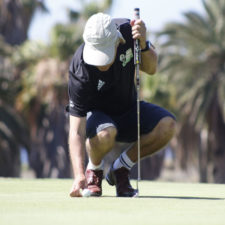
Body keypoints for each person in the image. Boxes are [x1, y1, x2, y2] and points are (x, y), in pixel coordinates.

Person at [68, 12, 176, 197]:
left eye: (105, 54)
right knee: (106, 132)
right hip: (100, 118)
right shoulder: (80, 68)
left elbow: (151, 69)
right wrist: (78, 175)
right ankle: (94, 170)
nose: (101, 64)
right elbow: (76, 131)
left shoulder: (129, 33)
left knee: (168, 126)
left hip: (129, 109)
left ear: (117, 41)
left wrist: (143, 45)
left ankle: (121, 169)